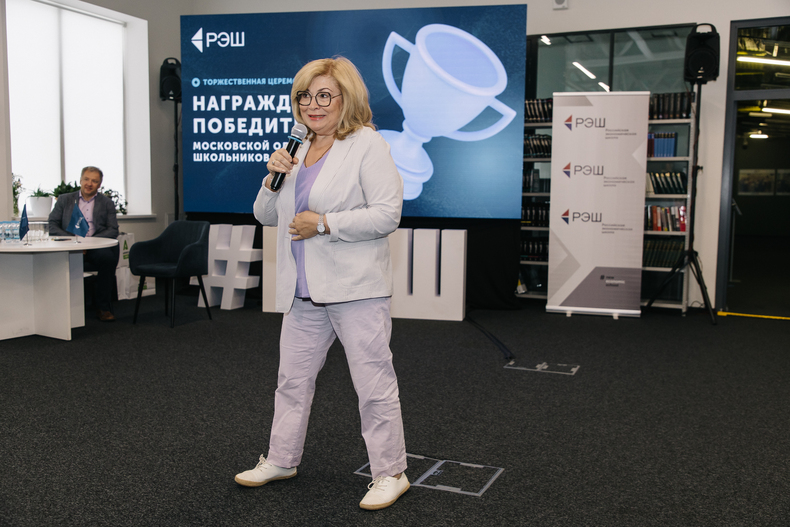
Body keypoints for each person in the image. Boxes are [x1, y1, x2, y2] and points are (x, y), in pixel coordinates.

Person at [237, 57, 408, 510]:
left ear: (345, 99)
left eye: (324, 95)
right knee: (291, 382)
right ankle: (281, 459)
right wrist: (272, 179)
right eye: (304, 96)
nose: (312, 105)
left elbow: (387, 214)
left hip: (356, 289)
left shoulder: (367, 144)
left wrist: (326, 223)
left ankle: (391, 472)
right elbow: (265, 216)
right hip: (302, 290)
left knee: (373, 385)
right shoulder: (296, 149)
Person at [49, 166, 119, 322]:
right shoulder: (65, 199)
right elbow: (52, 224)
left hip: (95, 246)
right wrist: (73, 242)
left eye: (94, 181)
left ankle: (103, 307)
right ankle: (57, 307)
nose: (89, 183)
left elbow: (113, 229)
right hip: (69, 245)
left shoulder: (106, 203)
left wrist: (89, 243)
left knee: (108, 259)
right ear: (80, 180)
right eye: (86, 179)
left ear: (99, 184)